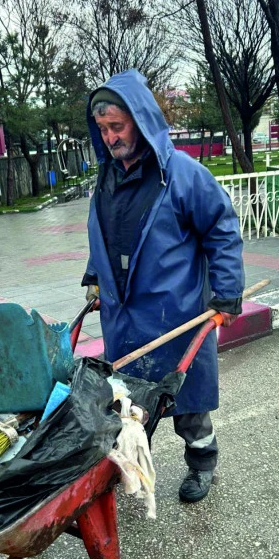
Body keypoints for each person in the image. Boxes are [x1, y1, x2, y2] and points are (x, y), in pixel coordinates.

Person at [82, 69, 245, 503]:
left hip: (177, 314)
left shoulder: (184, 175)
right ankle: (134, 472)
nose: (111, 137)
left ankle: (202, 465)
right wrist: (95, 276)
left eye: (117, 126)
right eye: (103, 129)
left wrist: (227, 293)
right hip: (126, 316)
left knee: (189, 407)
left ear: (141, 120)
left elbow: (222, 231)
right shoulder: (107, 179)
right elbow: (106, 232)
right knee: (132, 409)